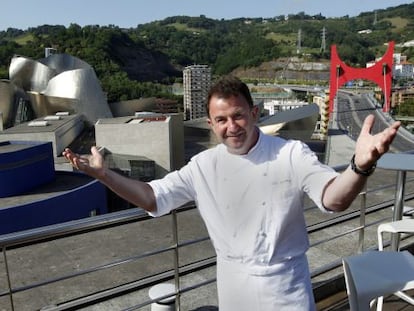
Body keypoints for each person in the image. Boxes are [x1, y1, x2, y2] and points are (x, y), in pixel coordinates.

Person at [63, 76, 400, 310]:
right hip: (234, 285)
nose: (231, 126)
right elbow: (153, 197)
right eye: (221, 119)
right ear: (211, 124)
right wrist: (105, 174)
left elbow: (333, 199)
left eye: (238, 115)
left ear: (254, 114)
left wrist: (359, 166)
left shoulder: (291, 153)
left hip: (285, 287)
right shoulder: (203, 165)